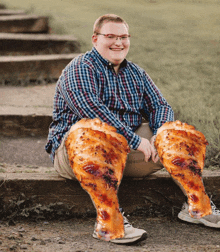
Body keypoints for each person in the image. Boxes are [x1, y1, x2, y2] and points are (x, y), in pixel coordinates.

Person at [45, 14, 220, 244]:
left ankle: (198, 207)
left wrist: (159, 133)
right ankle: (109, 224)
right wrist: (134, 140)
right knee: (93, 133)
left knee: (176, 132)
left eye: (123, 37)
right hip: (78, 155)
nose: (118, 42)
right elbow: (92, 110)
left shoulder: (136, 73)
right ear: (95, 39)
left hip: (128, 156)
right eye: (111, 36)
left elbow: (160, 105)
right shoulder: (79, 67)